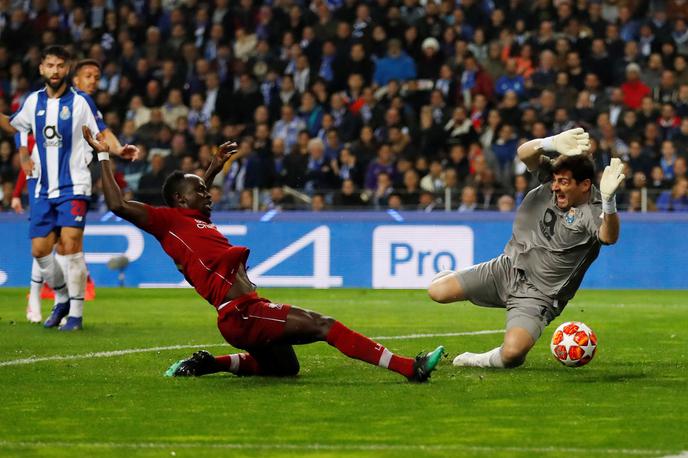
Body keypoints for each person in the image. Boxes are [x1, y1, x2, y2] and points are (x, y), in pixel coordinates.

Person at [83, 126, 445, 382]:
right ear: (179, 199)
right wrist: (101, 153)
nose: (208, 193)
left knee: (287, 370)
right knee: (324, 325)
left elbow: (197, 193)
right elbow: (115, 203)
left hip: (246, 310)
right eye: (199, 190)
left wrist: (211, 170)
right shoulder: (166, 221)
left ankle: (211, 364)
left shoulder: (194, 216)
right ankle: (408, 368)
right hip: (241, 313)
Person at [427, 128, 624, 368]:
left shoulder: (591, 211)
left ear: (584, 185)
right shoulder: (551, 179)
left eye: (563, 182)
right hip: (506, 268)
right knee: (437, 291)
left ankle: (475, 360)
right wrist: (551, 142)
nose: (555, 187)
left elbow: (608, 236)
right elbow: (524, 154)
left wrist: (609, 202)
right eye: (555, 181)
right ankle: (461, 277)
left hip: (538, 296)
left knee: (512, 354)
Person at [0, 47, 137, 331]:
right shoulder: (33, 101)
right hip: (41, 185)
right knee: (40, 250)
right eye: (50, 65)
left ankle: (75, 314)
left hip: (74, 184)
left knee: (72, 245)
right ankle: (61, 298)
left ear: (67, 69)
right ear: (41, 68)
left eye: (60, 66)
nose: (54, 71)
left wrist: (120, 148)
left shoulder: (80, 102)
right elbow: (15, 128)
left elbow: (101, 132)